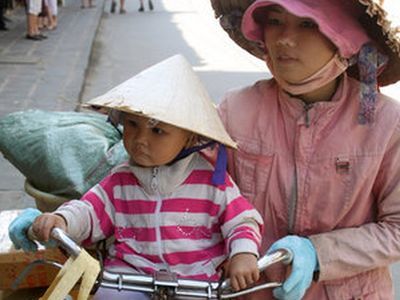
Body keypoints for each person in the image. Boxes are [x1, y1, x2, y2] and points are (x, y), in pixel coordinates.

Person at [8, 55, 264, 298]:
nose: (141, 139)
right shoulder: (120, 180)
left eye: (158, 131)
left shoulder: (212, 183)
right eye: (132, 125)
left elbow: (242, 220)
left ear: (189, 137)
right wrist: (62, 220)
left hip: (194, 282)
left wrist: (243, 253)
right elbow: (88, 210)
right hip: (128, 277)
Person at [210, 0, 400, 299]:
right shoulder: (233, 111)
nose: (284, 38)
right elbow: (198, 198)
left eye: (307, 24)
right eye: (274, 21)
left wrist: (318, 253)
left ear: (344, 37)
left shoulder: (387, 123)